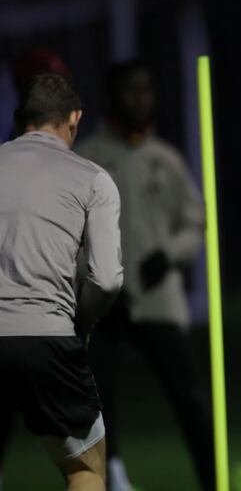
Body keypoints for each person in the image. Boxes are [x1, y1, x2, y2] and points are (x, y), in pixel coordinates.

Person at [75, 61, 215, 491]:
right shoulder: (89, 157)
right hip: (105, 303)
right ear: (113, 95)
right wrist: (96, 283)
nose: (141, 99)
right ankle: (110, 475)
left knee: (189, 397)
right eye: (131, 90)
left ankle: (213, 478)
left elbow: (194, 221)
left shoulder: (164, 159)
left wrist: (167, 255)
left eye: (147, 90)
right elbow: (70, 233)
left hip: (158, 299)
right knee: (96, 403)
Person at [0, 73, 123, 490]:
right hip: (45, 338)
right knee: (85, 468)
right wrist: (81, 325)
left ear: (22, 120)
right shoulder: (92, 179)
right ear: (75, 119)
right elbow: (106, 280)